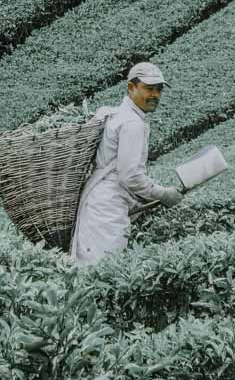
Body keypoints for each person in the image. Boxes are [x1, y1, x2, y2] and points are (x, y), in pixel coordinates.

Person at [70, 61, 183, 267]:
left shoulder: (114, 114)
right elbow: (129, 176)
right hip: (108, 207)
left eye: (159, 90)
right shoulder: (132, 123)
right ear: (131, 87)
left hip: (99, 201)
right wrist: (163, 193)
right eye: (149, 89)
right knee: (102, 271)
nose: (155, 95)